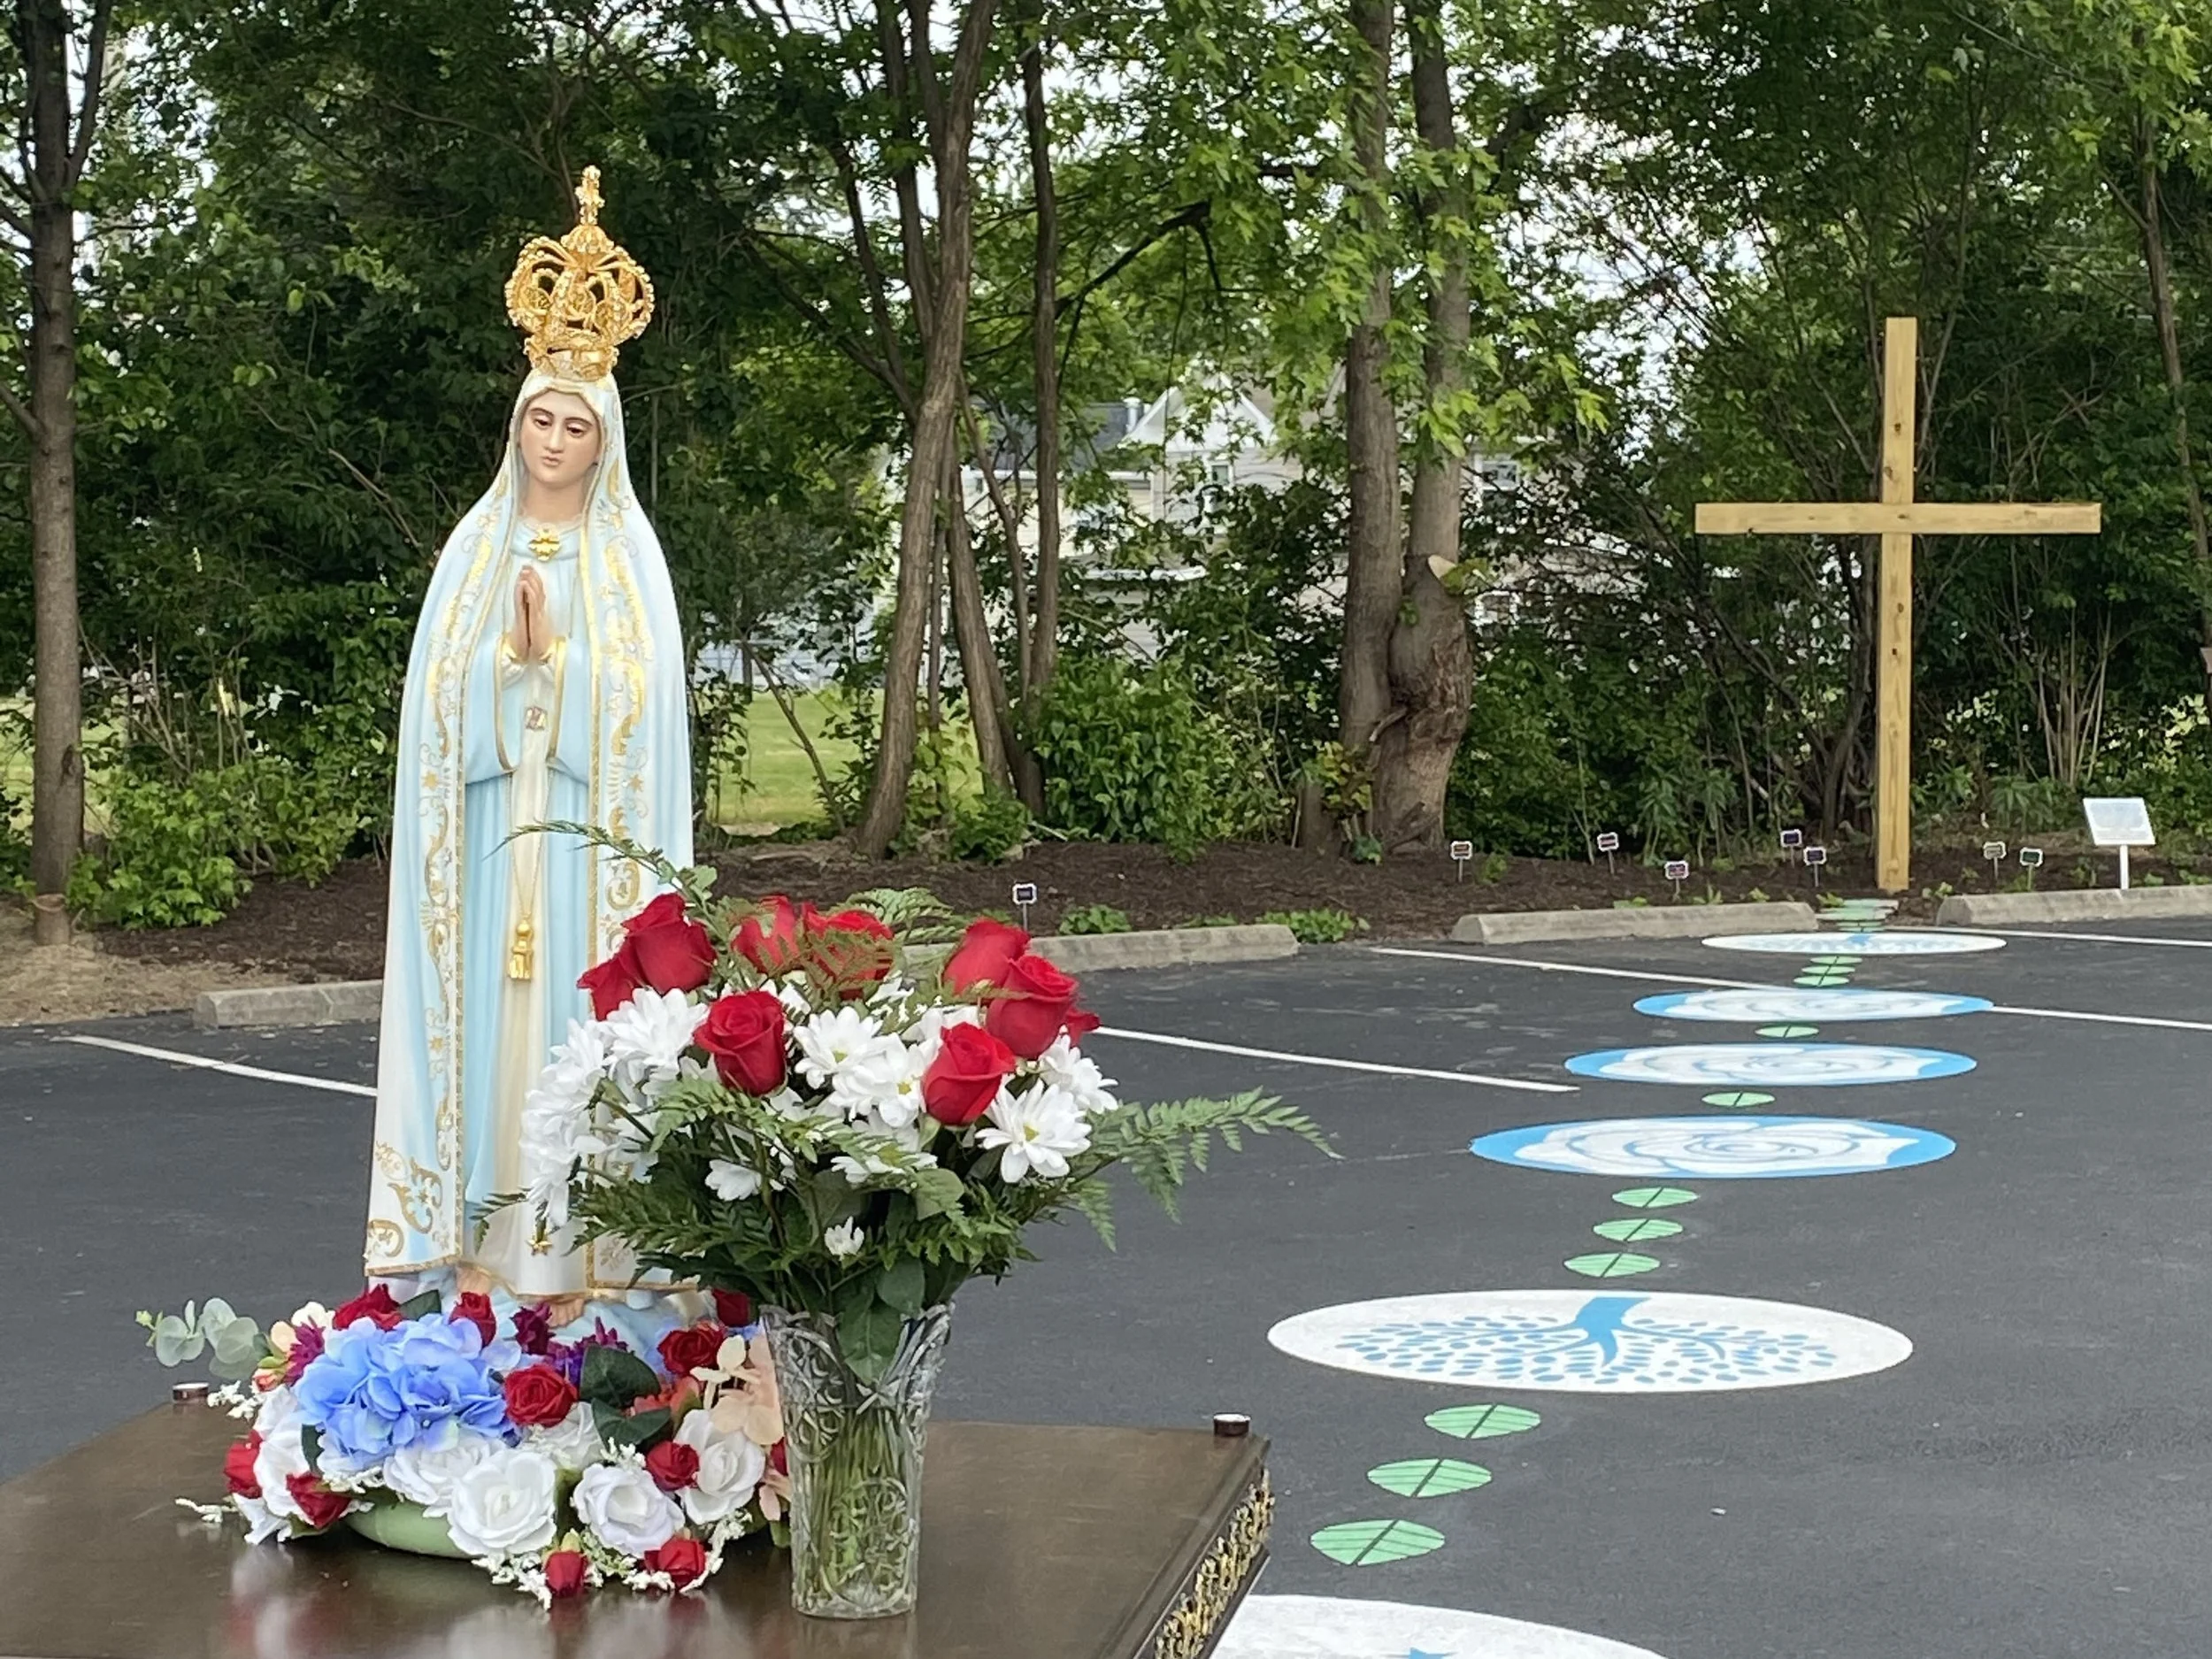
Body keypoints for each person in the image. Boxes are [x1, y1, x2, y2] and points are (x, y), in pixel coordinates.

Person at [361, 169, 691, 1326]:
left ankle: (590, 1280)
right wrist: (507, 668)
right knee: (495, 1052)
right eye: (540, 420)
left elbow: (647, 710)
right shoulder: (474, 548)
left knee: (575, 1037)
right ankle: (484, 1262)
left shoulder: (626, 562)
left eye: (575, 426)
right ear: (517, 427)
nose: (554, 441)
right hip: (497, 845)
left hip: (586, 863)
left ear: (605, 442)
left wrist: (561, 662)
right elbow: (436, 712)